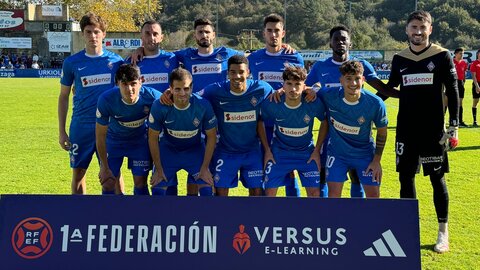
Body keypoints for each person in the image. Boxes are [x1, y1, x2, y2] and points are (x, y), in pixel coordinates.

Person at [387, 10, 459, 253]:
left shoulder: (441, 56)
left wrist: (453, 125)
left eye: (422, 27)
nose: (418, 32)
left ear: (430, 30)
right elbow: (391, 88)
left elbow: (453, 90)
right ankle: (408, 230)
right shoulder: (399, 58)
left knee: (437, 179)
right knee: (405, 178)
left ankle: (443, 232)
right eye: (413, 27)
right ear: (406, 30)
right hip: (406, 130)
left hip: (432, 131)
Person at [305, 25, 397, 198]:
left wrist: (404, 96)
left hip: (359, 136)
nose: (340, 42)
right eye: (336, 39)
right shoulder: (320, 67)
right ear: (330, 43)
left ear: (350, 43)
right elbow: (307, 87)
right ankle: (328, 218)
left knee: (357, 177)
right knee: (324, 175)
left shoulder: (362, 66)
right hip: (329, 133)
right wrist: (313, 89)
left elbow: (381, 88)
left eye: (344, 39)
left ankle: (357, 219)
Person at [162, 55, 273, 196]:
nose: (237, 76)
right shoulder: (215, 90)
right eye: (232, 72)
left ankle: (253, 219)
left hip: (252, 152)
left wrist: (287, 91)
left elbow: (281, 96)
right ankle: (221, 219)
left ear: (249, 72)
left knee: (257, 192)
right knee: (220, 193)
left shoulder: (262, 88)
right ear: (227, 73)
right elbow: (192, 96)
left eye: (241, 72)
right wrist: (170, 92)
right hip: (226, 152)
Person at [58, 13, 124, 194]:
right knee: (78, 173)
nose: (92, 36)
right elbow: (63, 96)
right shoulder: (72, 63)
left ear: (103, 34)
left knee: (113, 173)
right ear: (82, 34)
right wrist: (62, 131)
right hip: (81, 126)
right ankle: (81, 216)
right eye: (88, 32)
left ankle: (121, 216)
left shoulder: (116, 62)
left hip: (110, 126)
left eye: (96, 32)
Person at [248, 13, 305, 197]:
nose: (273, 34)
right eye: (269, 31)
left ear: (283, 33)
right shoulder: (253, 58)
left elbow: (303, 87)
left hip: (288, 121)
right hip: (262, 123)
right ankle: (265, 214)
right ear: (263, 33)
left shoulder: (295, 58)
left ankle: (292, 213)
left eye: (277, 31)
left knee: (290, 169)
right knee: (265, 166)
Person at [320, 61, 387, 198]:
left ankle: (367, 220)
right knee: (333, 196)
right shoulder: (329, 95)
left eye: (357, 78)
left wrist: (376, 161)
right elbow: (306, 89)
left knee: (374, 197)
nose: (353, 83)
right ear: (341, 80)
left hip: (365, 155)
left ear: (363, 79)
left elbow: (382, 131)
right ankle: (334, 220)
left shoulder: (375, 103)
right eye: (348, 78)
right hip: (337, 154)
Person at [148, 68, 217, 196]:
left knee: (207, 190)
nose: (182, 93)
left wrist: (205, 168)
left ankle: (197, 217)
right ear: (171, 88)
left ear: (191, 88)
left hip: (194, 151)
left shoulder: (203, 105)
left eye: (186, 88)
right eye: (177, 89)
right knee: (158, 191)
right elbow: (152, 138)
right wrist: (158, 168)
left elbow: (211, 137)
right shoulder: (159, 106)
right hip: (168, 151)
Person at [261, 66, 327, 197]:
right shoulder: (273, 103)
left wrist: (316, 151)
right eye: (289, 84)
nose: (293, 89)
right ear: (283, 85)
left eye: (298, 84)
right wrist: (267, 151)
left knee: (315, 194)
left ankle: (313, 218)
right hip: (279, 154)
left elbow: (325, 122)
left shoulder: (312, 103)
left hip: (306, 153)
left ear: (304, 86)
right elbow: (259, 121)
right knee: (268, 194)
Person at [96, 64, 161, 195]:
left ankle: (141, 214)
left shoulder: (153, 97)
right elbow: (100, 135)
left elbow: (172, 104)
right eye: (124, 84)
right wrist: (103, 166)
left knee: (140, 182)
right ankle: (110, 215)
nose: (129, 89)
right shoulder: (106, 100)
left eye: (133, 84)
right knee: (108, 182)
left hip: (139, 142)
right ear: (117, 84)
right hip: (113, 141)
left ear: (141, 82)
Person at [126, 20, 178, 92]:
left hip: (166, 103)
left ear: (161, 38)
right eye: (147, 33)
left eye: (155, 34)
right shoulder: (131, 61)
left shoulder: (172, 58)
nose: (151, 38)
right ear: (141, 37)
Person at [452, 48, 468, 127]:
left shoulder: (464, 63)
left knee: (460, 102)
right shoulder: (451, 62)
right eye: (460, 53)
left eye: (463, 54)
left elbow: (464, 73)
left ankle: (460, 121)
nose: (462, 55)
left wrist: (463, 82)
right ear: (455, 54)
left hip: (460, 83)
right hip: (452, 82)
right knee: (449, 101)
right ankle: (447, 120)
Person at [470, 49, 480, 127]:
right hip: (477, 83)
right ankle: (475, 121)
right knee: (475, 102)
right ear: (477, 54)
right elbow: (473, 76)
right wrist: (477, 86)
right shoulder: (474, 63)